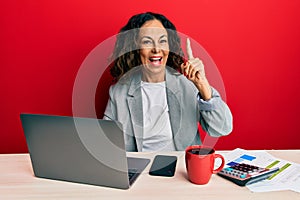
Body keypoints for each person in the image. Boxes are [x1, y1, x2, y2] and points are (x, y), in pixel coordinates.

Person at [103, 12, 233, 152]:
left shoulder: (188, 85)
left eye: (162, 41)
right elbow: (106, 143)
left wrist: (203, 86)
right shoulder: (119, 92)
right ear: (134, 49)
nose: (157, 49)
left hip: (181, 168)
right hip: (141, 170)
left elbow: (222, 128)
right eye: (147, 41)